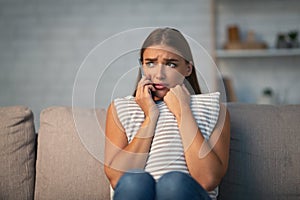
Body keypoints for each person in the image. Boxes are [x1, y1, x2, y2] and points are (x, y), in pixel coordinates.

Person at [104, 27, 230, 200]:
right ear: (142, 66)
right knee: (135, 182)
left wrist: (183, 112)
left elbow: (207, 179)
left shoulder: (215, 108)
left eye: (171, 64)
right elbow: (118, 180)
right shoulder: (121, 108)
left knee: (173, 183)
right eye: (150, 63)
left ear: (188, 69)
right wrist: (150, 117)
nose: (159, 74)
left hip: (183, 193)